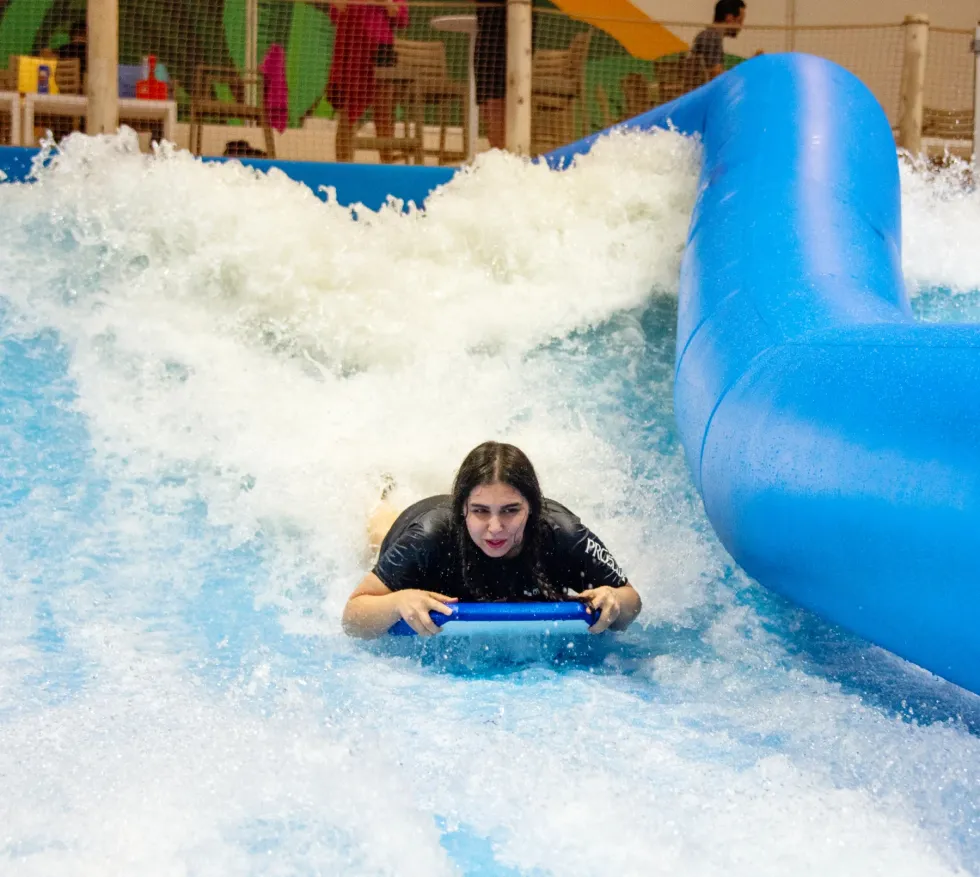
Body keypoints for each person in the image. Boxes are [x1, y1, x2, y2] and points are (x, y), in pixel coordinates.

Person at [343, 441, 642, 638]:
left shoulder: (563, 533)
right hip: (418, 522)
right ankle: (382, 495)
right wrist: (397, 601)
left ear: (532, 509)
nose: (495, 528)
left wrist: (614, 600)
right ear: (463, 509)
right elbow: (352, 617)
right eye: (480, 511)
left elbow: (631, 600)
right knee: (378, 540)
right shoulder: (429, 537)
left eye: (511, 511)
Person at [327, 0, 408, 163]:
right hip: (350, 46)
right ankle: (343, 167)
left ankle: (387, 167)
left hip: (381, 48)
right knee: (346, 111)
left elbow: (401, 16)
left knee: (384, 111)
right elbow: (336, 11)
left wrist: (387, 4)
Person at [690, 0, 746, 81]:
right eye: (740, 21)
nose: (741, 27)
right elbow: (716, 75)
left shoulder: (708, 35)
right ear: (729, 18)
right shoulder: (712, 37)